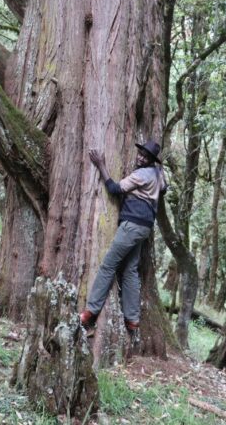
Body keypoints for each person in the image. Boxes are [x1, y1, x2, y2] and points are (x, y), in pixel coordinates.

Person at [80, 141, 167, 332]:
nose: (141, 158)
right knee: (130, 270)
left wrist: (101, 164)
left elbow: (114, 189)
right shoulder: (158, 174)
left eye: (146, 157)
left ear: (152, 160)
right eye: (140, 154)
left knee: (108, 265)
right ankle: (132, 320)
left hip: (132, 225)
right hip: (144, 227)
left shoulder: (140, 175)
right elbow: (164, 188)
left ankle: (90, 313)